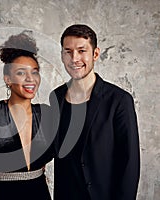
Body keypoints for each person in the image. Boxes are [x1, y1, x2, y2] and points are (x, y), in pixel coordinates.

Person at [50, 24, 140, 200]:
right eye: (68, 51)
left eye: (81, 50)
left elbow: (129, 163)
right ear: (62, 55)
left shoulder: (119, 100)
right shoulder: (56, 97)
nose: (74, 58)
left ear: (95, 54)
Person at [0, 31, 55, 200]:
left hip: (39, 193)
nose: (30, 79)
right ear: (8, 79)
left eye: (34, 72)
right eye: (21, 73)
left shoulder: (47, 114)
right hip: (3, 194)